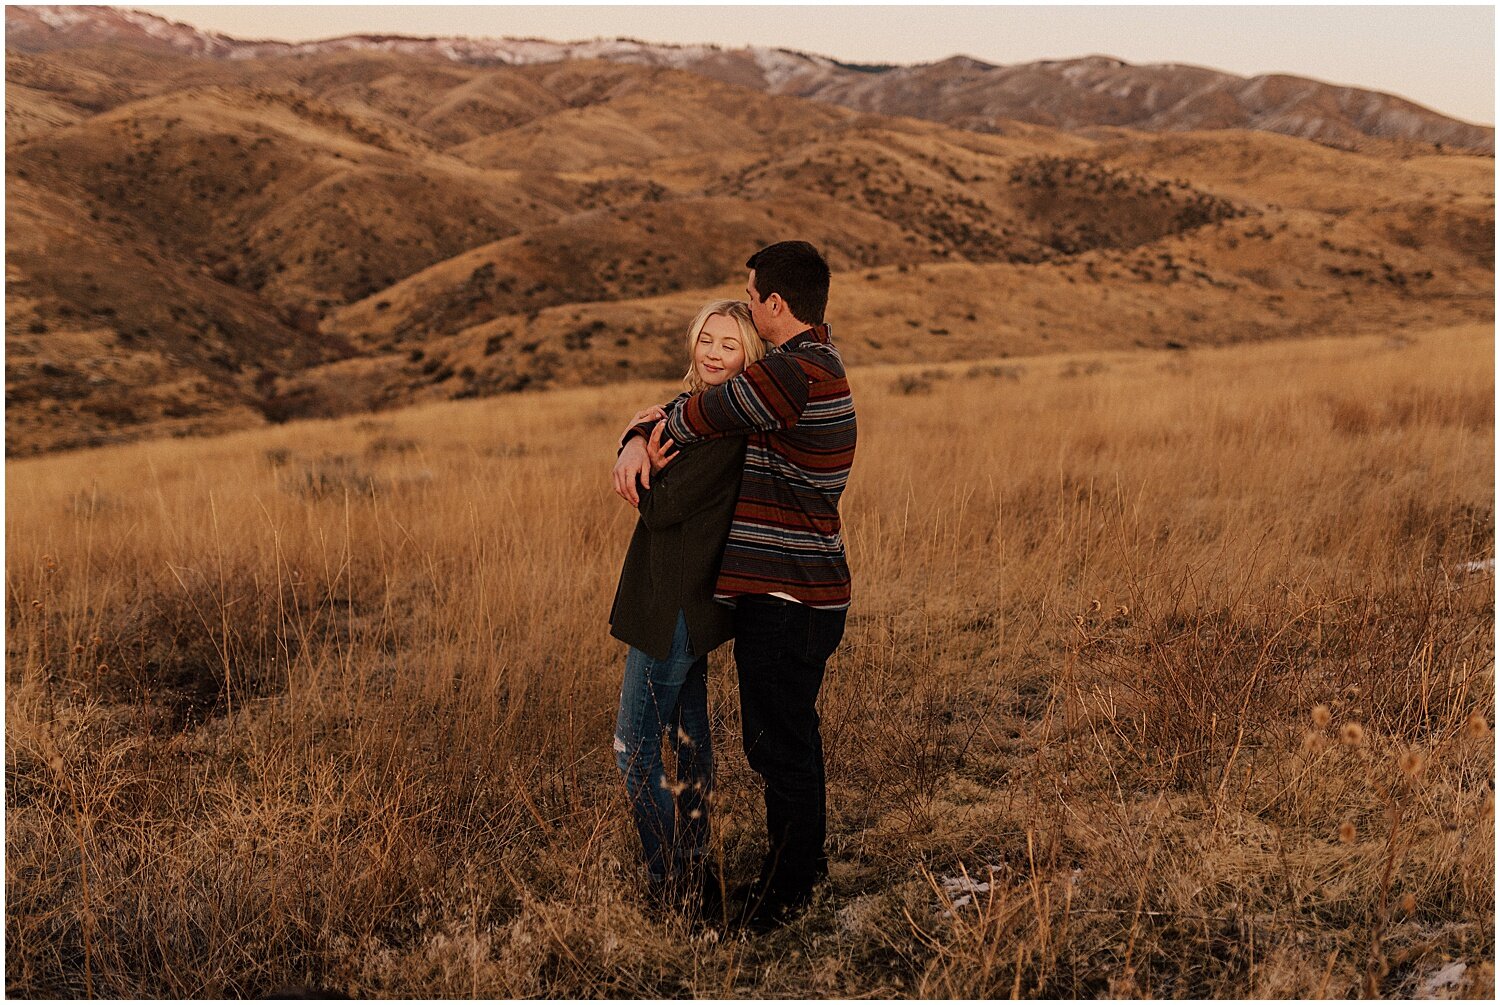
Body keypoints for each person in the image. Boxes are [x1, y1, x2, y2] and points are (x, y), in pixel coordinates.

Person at [613, 241, 856, 932]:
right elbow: (698, 402)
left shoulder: (787, 377)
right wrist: (639, 433)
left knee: (779, 749)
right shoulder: (809, 364)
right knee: (779, 742)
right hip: (799, 590)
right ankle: (782, 876)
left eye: (749, 301)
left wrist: (645, 436)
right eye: (709, 338)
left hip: (789, 597)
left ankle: (784, 891)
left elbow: (701, 413)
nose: (747, 305)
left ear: (774, 307)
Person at [608, 299, 765, 911]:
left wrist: (647, 465)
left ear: (749, 354)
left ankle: (672, 881)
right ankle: (698, 868)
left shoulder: (721, 426)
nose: (715, 353)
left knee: (636, 746)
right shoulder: (695, 410)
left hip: (674, 603)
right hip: (686, 600)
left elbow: (667, 508)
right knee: (688, 734)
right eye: (707, 339)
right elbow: (655, 421)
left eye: (730, 344)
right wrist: (636, 438)